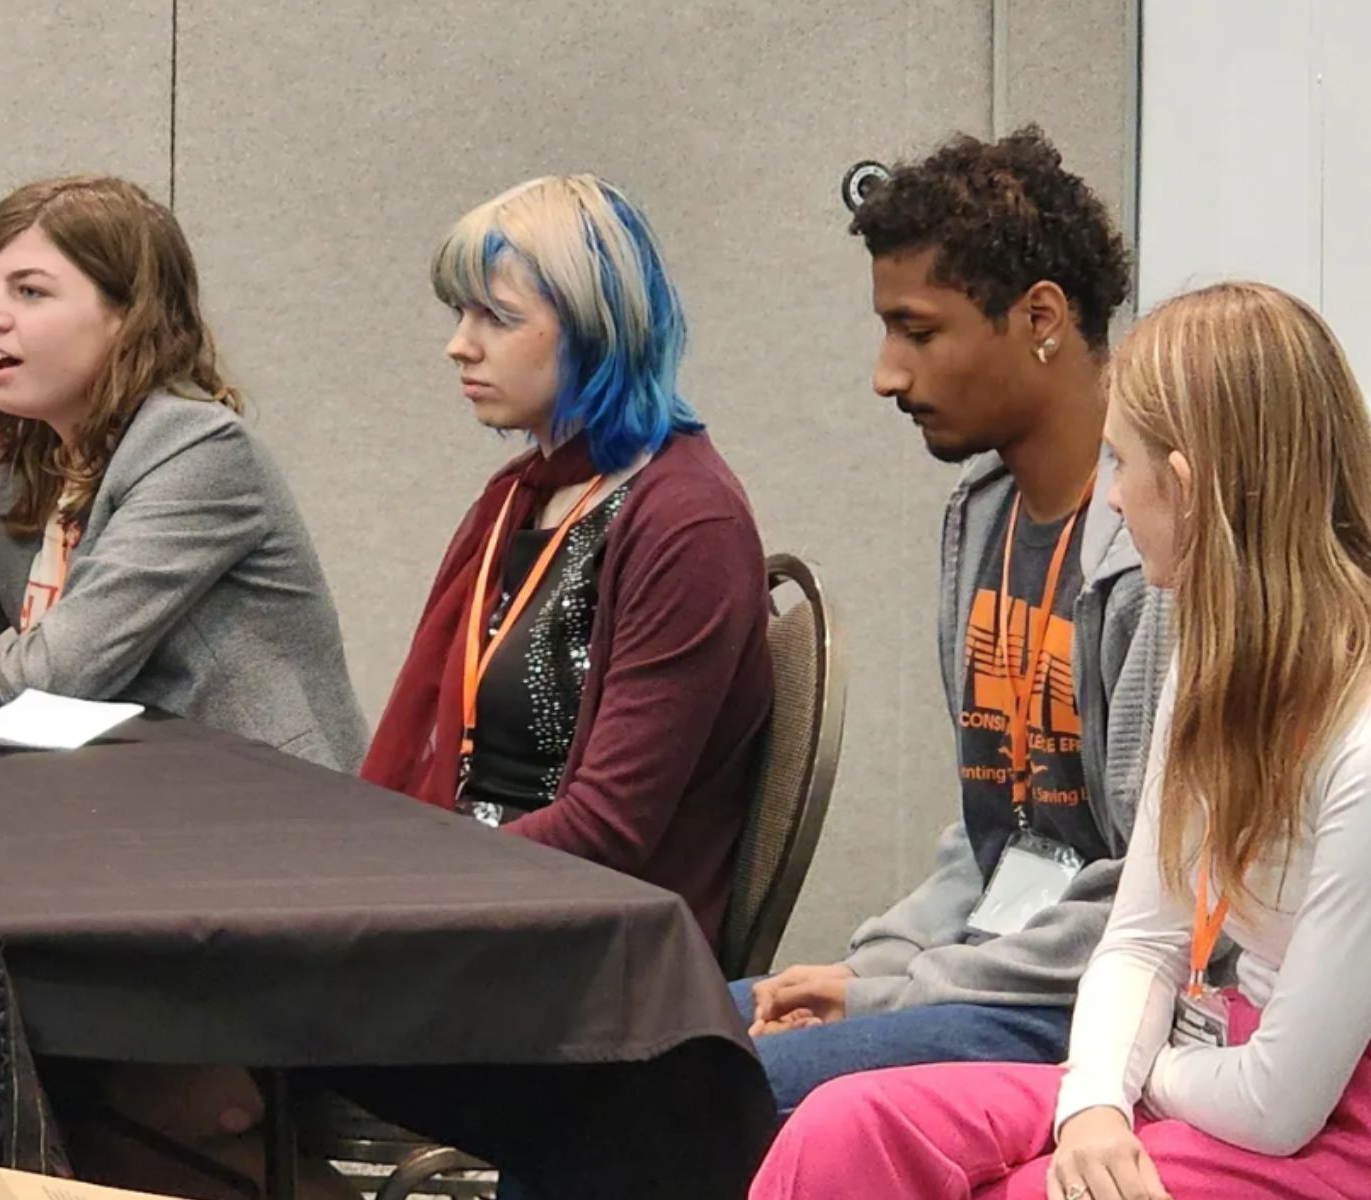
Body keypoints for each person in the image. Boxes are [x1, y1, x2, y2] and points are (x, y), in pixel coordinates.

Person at [753, 280, 1371, 1200]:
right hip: (1202, 1065)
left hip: (1313, 1124)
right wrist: (1093, 1103)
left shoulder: (1357, 738)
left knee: (1033, 1189)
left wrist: (1122, 1085)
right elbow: (1145, 937)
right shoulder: (1211, 663)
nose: (1112, 501)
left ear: (1191, 490)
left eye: (1122, 464)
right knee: (848, 1128)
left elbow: (1280, 1103)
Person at [734, 127, 1171, 1120]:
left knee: (716, 1090)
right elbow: (996, 832)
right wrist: (873, 966)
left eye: (918, 331)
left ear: (1041, 318)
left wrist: (897, 994)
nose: (887, 374)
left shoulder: (1156, 551)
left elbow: (1156, 893)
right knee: (648, 1044)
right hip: (980, 973)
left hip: (1096, 1005)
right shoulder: (982, 517)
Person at [0, 174, 366, 772]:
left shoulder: (200, 451)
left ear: (128, 316)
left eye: (30, 292)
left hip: (273, 810)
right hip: (130, 805)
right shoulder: (32, 467)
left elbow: (60, 673)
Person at [361, 173, 773, 945]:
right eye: (461, 312)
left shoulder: (689, 522)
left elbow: (608, 831)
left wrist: (407, 879)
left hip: (579, 944)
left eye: (497, 316)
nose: (460, 344)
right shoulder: (521, 495)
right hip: (478, 897)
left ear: (595, 332)